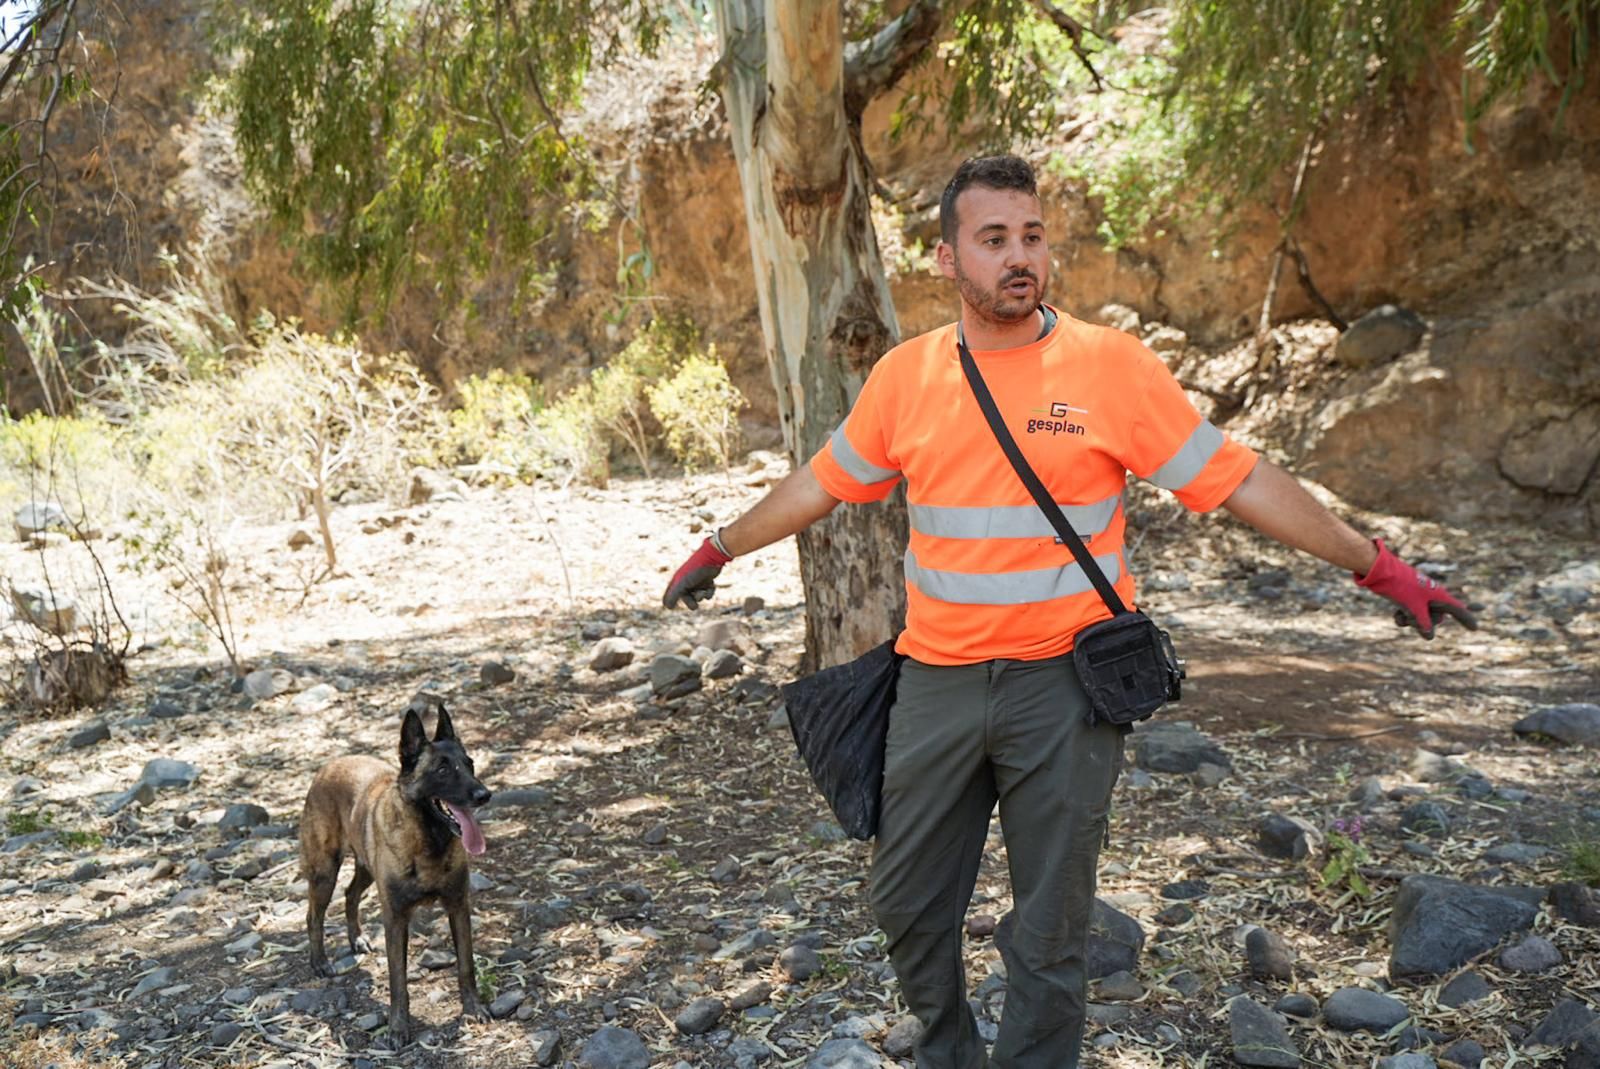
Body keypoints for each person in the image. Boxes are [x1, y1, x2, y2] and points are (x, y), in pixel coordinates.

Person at [661, 155, 1475, 1069]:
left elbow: (1239, 476)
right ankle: (949, 1050)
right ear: (946, 258)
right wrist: (721, 546)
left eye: (1033, 237)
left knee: (1050, 925)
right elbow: (823, 479)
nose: (1021, 257)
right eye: (995, 238)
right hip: (935, 680)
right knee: (904, 899)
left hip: (1065, 686)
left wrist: (1378, 565)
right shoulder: (907, 376)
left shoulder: (1109, 366)